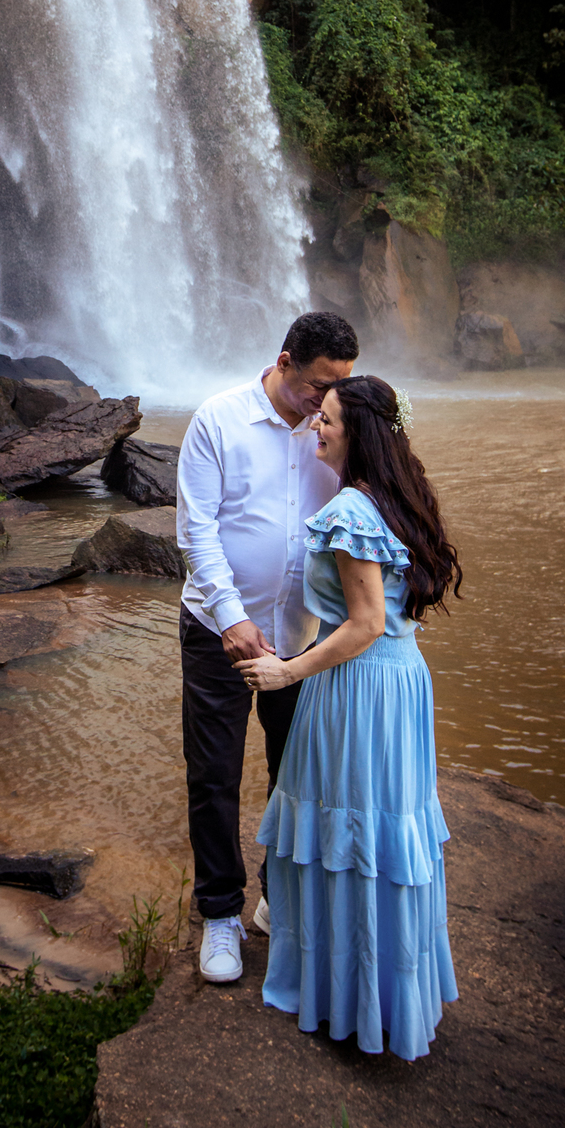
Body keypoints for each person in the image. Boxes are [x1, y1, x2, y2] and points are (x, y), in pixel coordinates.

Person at [236, 376, 462, 1061]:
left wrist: (286, 672)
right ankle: (383, 994)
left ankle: (350, 1000)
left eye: (328, 420)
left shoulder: (353, 514)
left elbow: (362, 624)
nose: (316, 428)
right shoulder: (397, 502)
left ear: (358, 433)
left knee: (351, 835)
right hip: (398, 681)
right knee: (381, 836)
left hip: (356, 685)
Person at [176, 311, 359, 985]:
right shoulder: (218, 421)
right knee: (216, 776)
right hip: (217, 635)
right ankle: (220, 914)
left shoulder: (333, 436)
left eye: (339, 387)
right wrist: (230, 617)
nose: (326, 400)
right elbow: (197, 534)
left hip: (301, 641)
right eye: (318, 385)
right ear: (285, 361)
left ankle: (275, 900)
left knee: (297, 779)